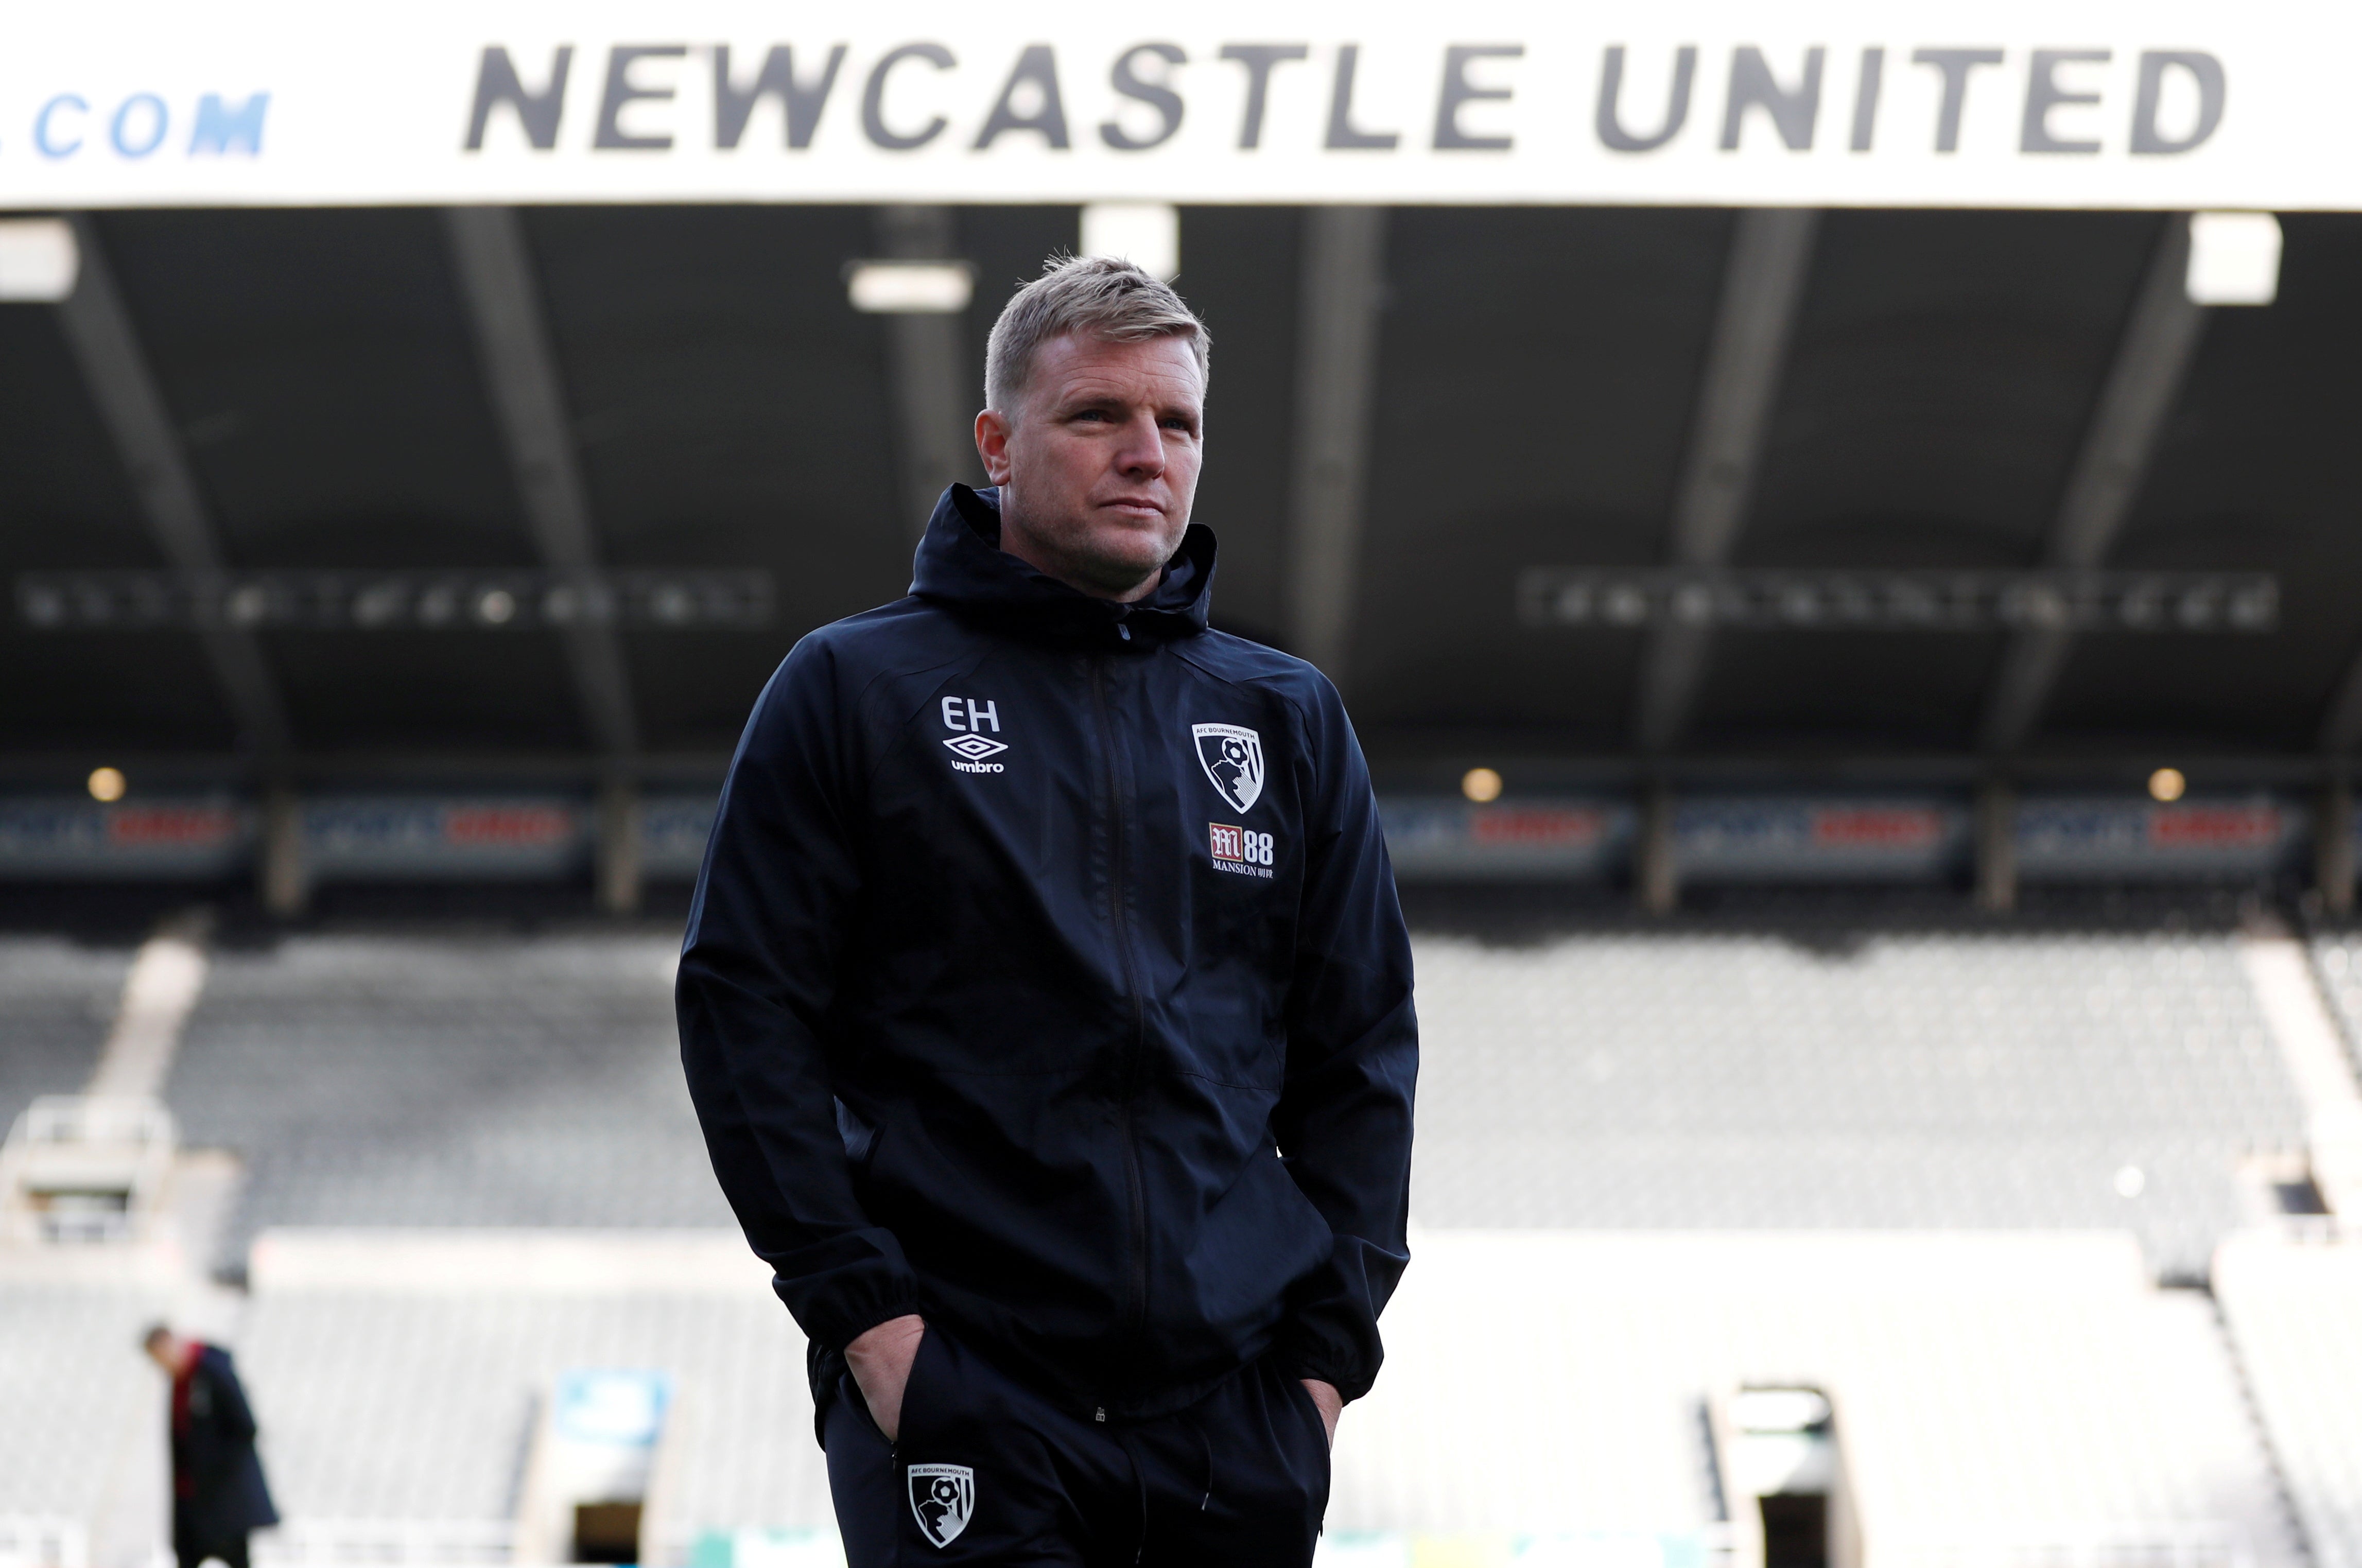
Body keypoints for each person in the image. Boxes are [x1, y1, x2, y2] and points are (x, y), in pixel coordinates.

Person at [679, 254, 1417, 1565]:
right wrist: (873, 1328)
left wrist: (1320, 1366)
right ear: (998, 443)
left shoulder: (1281, 714)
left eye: (1175, 424)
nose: (1146, 454)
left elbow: (1360, 1050)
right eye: (1097, 417)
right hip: (968, 1394)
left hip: (1235, 1420)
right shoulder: (853, 688)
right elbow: (744, 1015)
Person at [141, 1325, 276, 1568]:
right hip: (192, 1502)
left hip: (222, 1503)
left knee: (235, 1558)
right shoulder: (180, 1383)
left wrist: (216, 1474)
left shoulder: (212, 1370)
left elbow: (245, 1427)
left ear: (169, 1344)